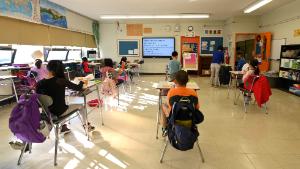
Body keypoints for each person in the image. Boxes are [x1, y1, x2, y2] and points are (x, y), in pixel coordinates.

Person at [36, 60, 95, 133]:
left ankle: (63, 127)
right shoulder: (61, 81)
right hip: (59, 112)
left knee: (65, 102)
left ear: (48, 68)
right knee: (81, 106)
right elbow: (78, 88)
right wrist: (83, 80)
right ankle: (87, 126)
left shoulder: (39, 83)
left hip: (47, 113)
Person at [161, 70, 200, 136]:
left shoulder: (171, 92)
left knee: (163, 105)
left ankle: (165, 128)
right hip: (189, 118)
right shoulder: (193, 92)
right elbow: (197, 107)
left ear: (175, 81)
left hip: (175, 117)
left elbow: (169, 105)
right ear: (187, 81)